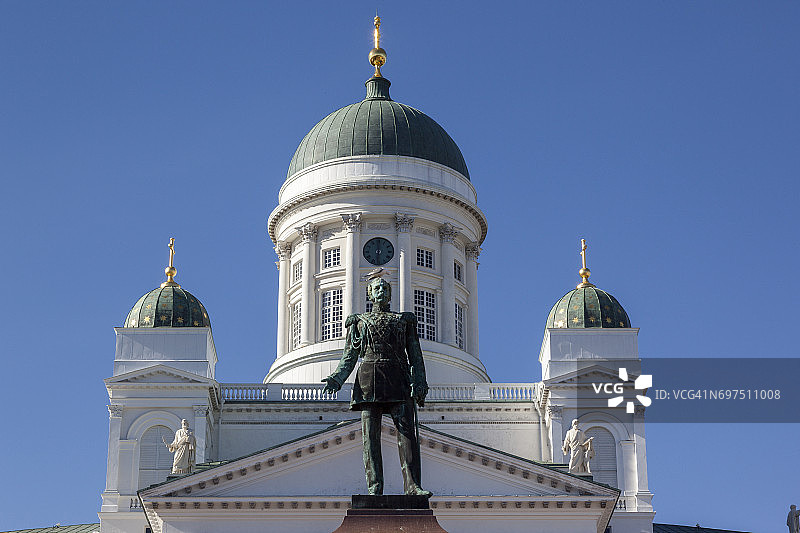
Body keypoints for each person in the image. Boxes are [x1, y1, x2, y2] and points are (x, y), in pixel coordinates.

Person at [322, 271, 431, 496]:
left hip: (399, 377)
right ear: (370, 295)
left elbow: (415, 355)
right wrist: (337, 378)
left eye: (384, 288)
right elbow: (349, 356)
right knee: (370, 438)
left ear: (389, 294)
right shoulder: (359, 322)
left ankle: (413, 486)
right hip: (368, 380)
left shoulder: (404, 321)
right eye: (377, 289)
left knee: (407, 434)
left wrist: (420, 381)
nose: (381, 291)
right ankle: (375, 487)